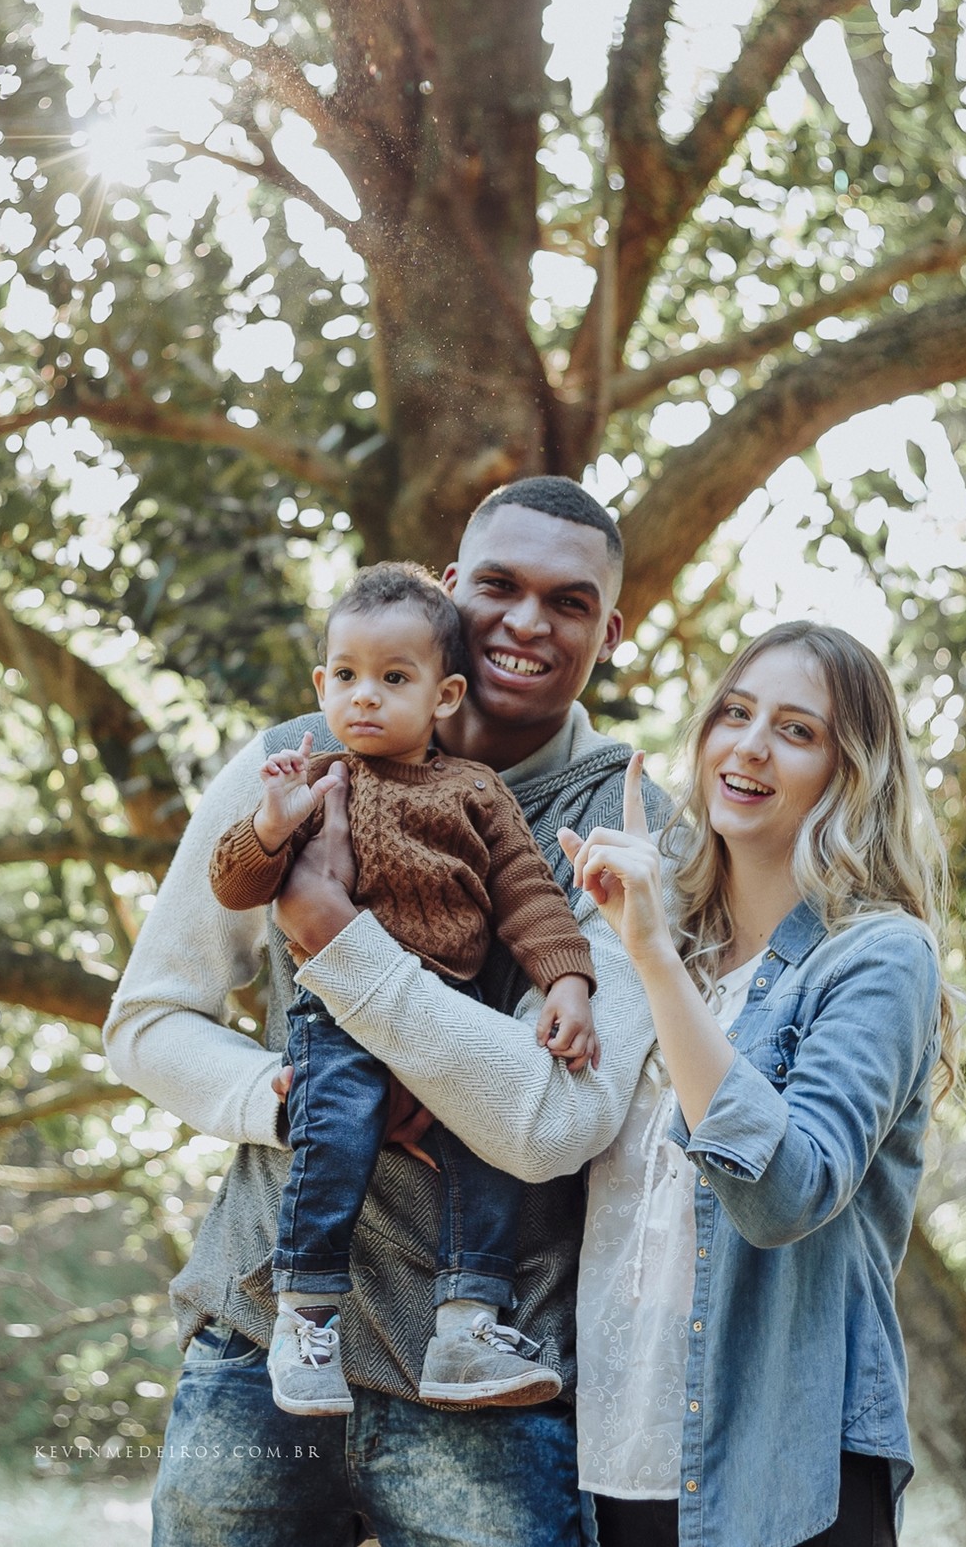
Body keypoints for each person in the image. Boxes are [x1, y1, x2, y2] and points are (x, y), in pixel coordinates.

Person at [103, 477, 670, 1547]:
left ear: (610, 632)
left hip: (492, 1386)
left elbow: (555, 1117)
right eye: (499, 585)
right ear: (450, 587)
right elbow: (146, 1018)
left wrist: (336, 934)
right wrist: (290, 1101)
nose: (526, 622)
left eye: (569, 601)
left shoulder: (633, 822)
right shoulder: (291, 764)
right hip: (259, 1343)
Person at [561, 622, 958, 1547]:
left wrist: (654, 959)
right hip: (609, 1463)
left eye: (796, 730)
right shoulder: (654, 929)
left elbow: (787, 1194)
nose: (749, 746)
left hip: (782, 1474)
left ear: (848, 773)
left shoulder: (877, 958)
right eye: (735, 714)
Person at [208, 561, 598, 1416]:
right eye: (346, 676)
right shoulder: (316, 781)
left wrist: (567, 981)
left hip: (449, 1014)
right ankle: (305, 1315)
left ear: (444, 695)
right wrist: (272, 822)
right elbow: (235, 884)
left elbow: (529, 895)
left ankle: (466, 1327)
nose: (365, 697)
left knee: (487, 1156)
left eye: (394, 679)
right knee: (336, 1138)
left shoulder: (477, 791)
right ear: (322, 684)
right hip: (337, 1017)